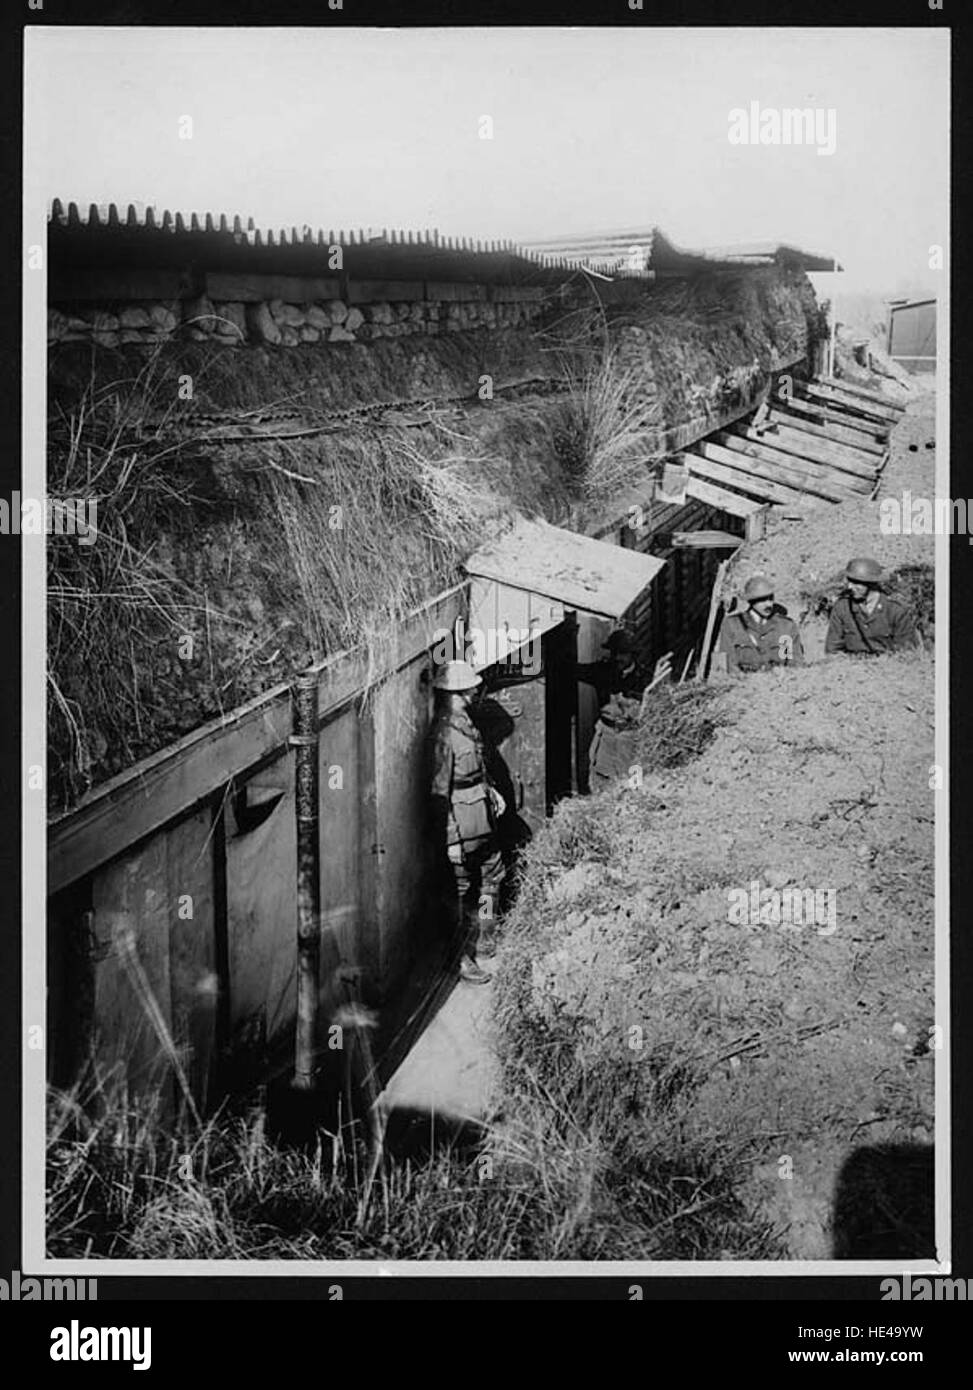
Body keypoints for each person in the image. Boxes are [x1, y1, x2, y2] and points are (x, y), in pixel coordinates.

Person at [429, 659, 506, 985]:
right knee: (461, 892)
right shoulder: (444, 735)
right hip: (460, 824)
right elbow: (438, 792)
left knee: (494, 873)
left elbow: (476, 768)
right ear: (454, 694)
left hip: (481, 817)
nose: (474, 693)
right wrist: (452, 840)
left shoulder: (465, 724)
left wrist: (491, 791)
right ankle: (460, 958)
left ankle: (486, 938)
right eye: (468, 689)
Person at [825, 558, 919, 656]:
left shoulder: (895, 611)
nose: (850, 587)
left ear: (871, 584)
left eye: (856, 582)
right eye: (849, 581)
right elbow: (833, 651)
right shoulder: (842, 608)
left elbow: (907, 652)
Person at [716, 575, 804, 675]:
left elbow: (795, 665)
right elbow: (727, 665)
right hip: (744, 686)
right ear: (751, 601)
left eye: (770, 598)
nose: (768, 604)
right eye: (762, 600)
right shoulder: (733, 625)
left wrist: (784, 673)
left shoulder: (786, 627)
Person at [576, 630, 645, 707]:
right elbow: (573, 670)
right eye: (614, 652)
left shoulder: (646, 678)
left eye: (622, 653)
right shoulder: (602, 670)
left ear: (633, 654)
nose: (617, 657)